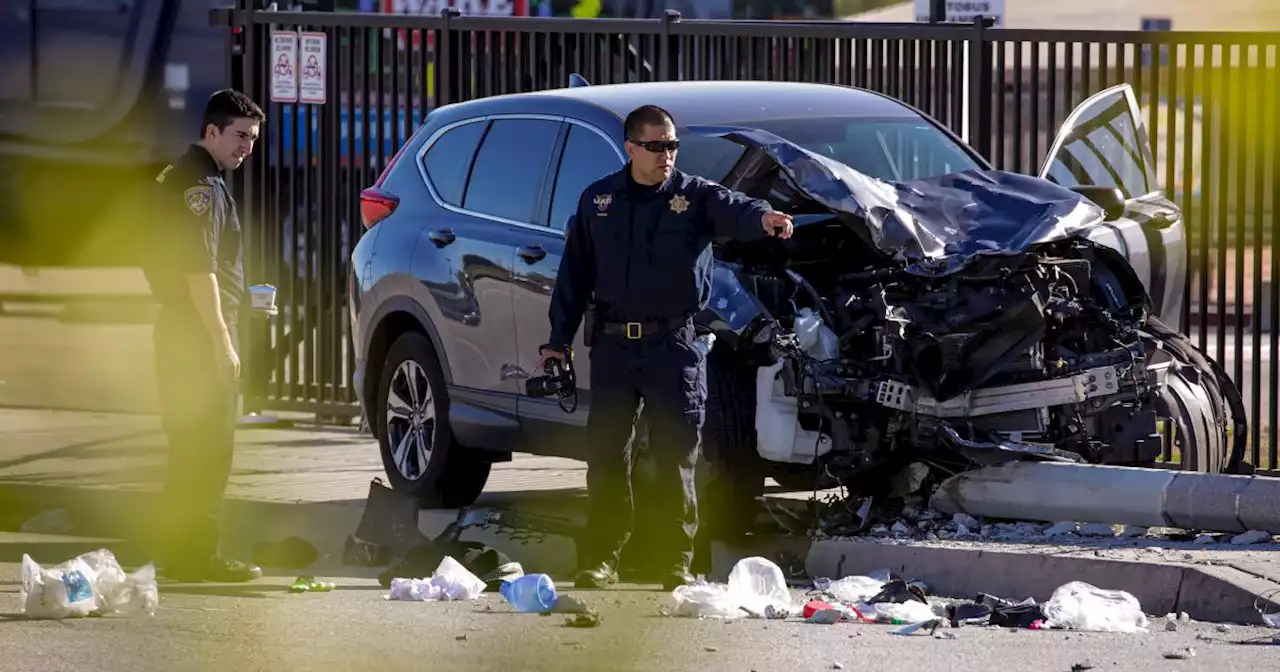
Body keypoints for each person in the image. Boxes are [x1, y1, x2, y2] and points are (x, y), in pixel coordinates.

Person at [537, 104, 794, 591]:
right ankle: (601, 558)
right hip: (614, 346)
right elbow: (573, 278)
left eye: (672, 145)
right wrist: (556, 343)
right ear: (631, 148)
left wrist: (767, 219)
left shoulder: (694, 197)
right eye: (655, 146)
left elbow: (737, 209)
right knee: (608, 455)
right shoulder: (599, 201)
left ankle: (673, 561)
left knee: (678, 456)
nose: (666, 155)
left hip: (674, 347)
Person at [142, 89, 265, 583]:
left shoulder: (179, 174)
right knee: (209, 449)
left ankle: (179, 554)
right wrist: (222, 340)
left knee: (188, 446)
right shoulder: (202, 186)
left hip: (177, 329)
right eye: (239, 136)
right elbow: (199, 270)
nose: (247, 148)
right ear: (211, 130)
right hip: (196, 337)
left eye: (253, 139)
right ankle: (198, 557)